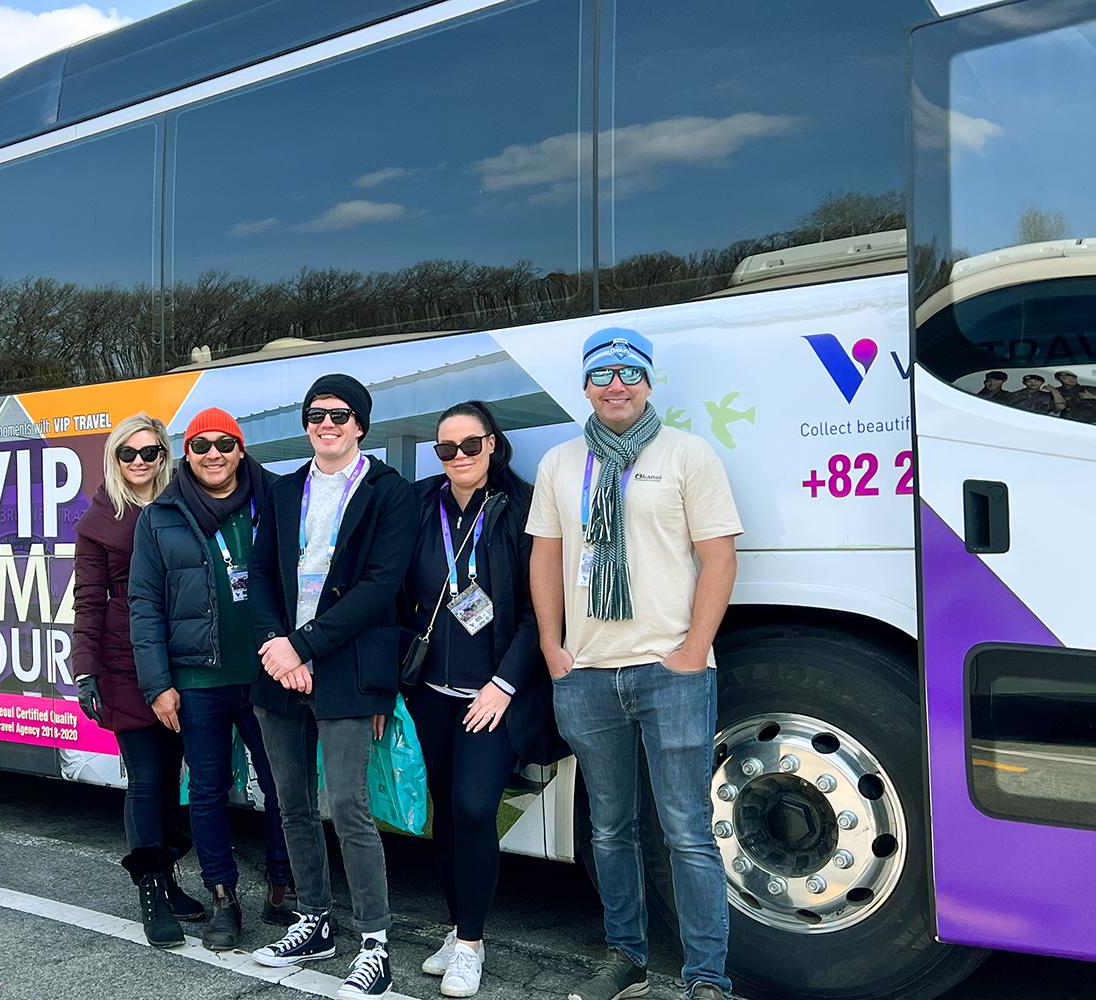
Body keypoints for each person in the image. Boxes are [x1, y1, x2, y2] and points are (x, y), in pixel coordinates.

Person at [528, 328, 743, 1000]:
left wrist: (691, 651)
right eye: (601, 374)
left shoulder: (686, 453)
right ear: (585, 386)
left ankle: (706, 978)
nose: (614, 385)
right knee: (608, 829)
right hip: (586, 675)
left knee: (686, 831)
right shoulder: (560, 463)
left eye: (627, 372)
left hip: (670, 673)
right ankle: (627, 957)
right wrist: (552, 648)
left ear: (648, 382)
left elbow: (719, 555)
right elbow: (544, 557)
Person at [249, 373, 417, 1000]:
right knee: (290, 803)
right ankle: (313, 920)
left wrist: (305, 645)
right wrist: (277, 646)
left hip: (345, 665)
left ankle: (375, 942)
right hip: (279, 665)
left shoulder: (389, 493)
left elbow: (379, 587)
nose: (328, 424)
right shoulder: (285, 489)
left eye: (341, 415)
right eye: (317, 414)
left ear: (361, 424)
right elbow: (261, 572)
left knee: (346, 804)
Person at [402, 401, 563, 998]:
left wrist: (504, 684)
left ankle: (471, 944)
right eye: (446, 450)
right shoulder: (421, 505)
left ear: (493, 444)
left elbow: (537, 610)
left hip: (494, 695)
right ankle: (456, 928)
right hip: (431, 694)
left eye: (471, 446)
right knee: (444, 814)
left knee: (473, 809)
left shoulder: (522, 508)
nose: (459, 458)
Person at [129, 406, 295, 952]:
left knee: (281, 786)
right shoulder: (161, 515)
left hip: (270, 673)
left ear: (241, 449)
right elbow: (144, 605)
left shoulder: (275, 499)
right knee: (206, 791)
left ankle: (282, 887)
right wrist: (158, 685)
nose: (213, 454)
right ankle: (223, 897)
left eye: (225, 443)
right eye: (201, 446)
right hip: (197, 682)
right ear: (187, 455)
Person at [71, 413, 203, 949]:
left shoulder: (185, 503)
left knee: (176, 778)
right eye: (130, 454)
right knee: (147, 777)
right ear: (115, 459)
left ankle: (169, 876)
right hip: (124, 662)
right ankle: (151, 889)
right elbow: (87, 600)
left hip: (186, 656)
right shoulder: (98, 521)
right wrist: (85, 669)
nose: (141, 462)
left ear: (164, 455)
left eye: (150, 452)